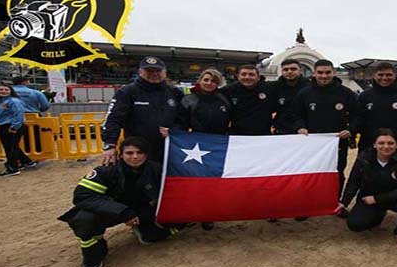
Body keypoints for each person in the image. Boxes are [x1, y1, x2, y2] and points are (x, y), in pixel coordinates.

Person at [58, 137, 189, 267]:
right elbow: (82, 196)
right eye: (129, 153)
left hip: (141, 211)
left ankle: (144, 231)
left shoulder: (156, 169)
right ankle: (94, 255)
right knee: (83, 220)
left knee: (170, 223)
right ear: (121, 155)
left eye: (140, 152)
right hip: (111, 212)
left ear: (146, 154)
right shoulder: (106, 171)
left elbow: (175, 193)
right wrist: (122, 211)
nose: (135, 157)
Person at [292, 59, 358, 215]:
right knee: (310, 173)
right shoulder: (304, 93)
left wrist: (351, 129)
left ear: (334, 72)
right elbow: (296, 116)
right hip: (311, 144)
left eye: (328, 72)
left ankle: (335, 203)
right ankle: (308, 205)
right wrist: (300, 127)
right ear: (314, 73)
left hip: (337, 143)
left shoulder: (346, 93)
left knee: (337, 173)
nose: (324, 76)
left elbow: (358, 116)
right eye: (320, 72)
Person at [340, 128, 397, 251]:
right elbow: (353, 182)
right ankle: (377, 216)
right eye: (381, 143)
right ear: (374, 144)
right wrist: (343, 202)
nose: (386, 147)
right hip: (370, 197)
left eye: (390, 143)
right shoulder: (364, 159)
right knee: (355, 224)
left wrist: (377, 199)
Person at [171, 68, 230, 231]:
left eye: (213, 81)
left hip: (218, 147)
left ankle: (208, 215)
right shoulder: (189, 99)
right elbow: (180, 122)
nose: (209, 83)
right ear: (200, 81)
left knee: (214, 182)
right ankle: (194, 212)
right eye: (206, 80)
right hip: (196, 147)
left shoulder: (223, 99)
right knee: (197, 181)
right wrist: (174, 135)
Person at [101, 56, 183, 165]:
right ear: (140, 72)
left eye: (158, 70)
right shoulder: (127, 92)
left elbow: (183, 119)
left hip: (168, 148)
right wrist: (110, 145)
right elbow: (113, 119)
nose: (154, 74)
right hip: (137, 152)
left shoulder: (175, 92)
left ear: (165, 72)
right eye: (149, 71)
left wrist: (174, 130)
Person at [351, 61, 397, 150]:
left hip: (396, 143)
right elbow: (358, 117)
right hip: (368, 144)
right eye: (380, 75)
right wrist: (352, 135)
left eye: (388, 75)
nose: (384, 78)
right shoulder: (365, 96)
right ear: (374, 76)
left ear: (395, 76)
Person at [0, 83, 36, 176]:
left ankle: (12, 168)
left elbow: (18, 114)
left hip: (11, 126)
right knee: (12, 146)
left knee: (11, 148)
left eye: (6, 89)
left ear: (10, 91)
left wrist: (14, 127)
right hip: (4, 125)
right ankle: (26, 161)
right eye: (1, 89)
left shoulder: (14, 101)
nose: (3, 91)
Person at [221, 64, 276, 135]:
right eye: (243, 74)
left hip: (263, 134)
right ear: (238, 76)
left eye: (251, 74)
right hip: (237, 135)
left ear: (258, 77)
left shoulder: (269, 88)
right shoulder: (228, 90)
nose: (247, 77)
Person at [270, 59, 308, 134]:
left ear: (300, 71)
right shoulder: (274, 87)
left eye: (293, 69)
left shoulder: (309, 87)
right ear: (282, 72)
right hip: (281, 132)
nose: (289, 71)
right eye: (286, 69)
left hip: (304, 132)